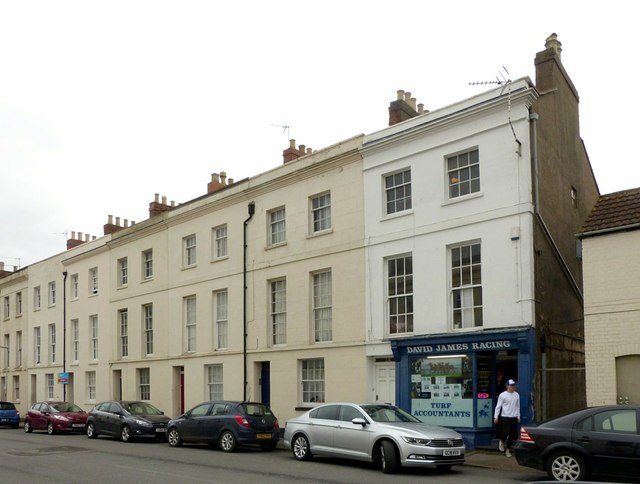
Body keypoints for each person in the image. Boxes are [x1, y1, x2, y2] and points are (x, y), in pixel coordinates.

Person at [493, 379, 520, 457]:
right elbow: (498, 407)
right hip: (505, 416)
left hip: (514, 416)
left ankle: (508, 450)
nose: (513, 387)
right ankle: (501, 441)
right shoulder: (502, 395)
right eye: (511, 385)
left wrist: (518, 416)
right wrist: (496, 417)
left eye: (513, 385)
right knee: (506, 432)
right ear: (507, 386)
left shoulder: (517, 395)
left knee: (512, 434)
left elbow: (517, 406)